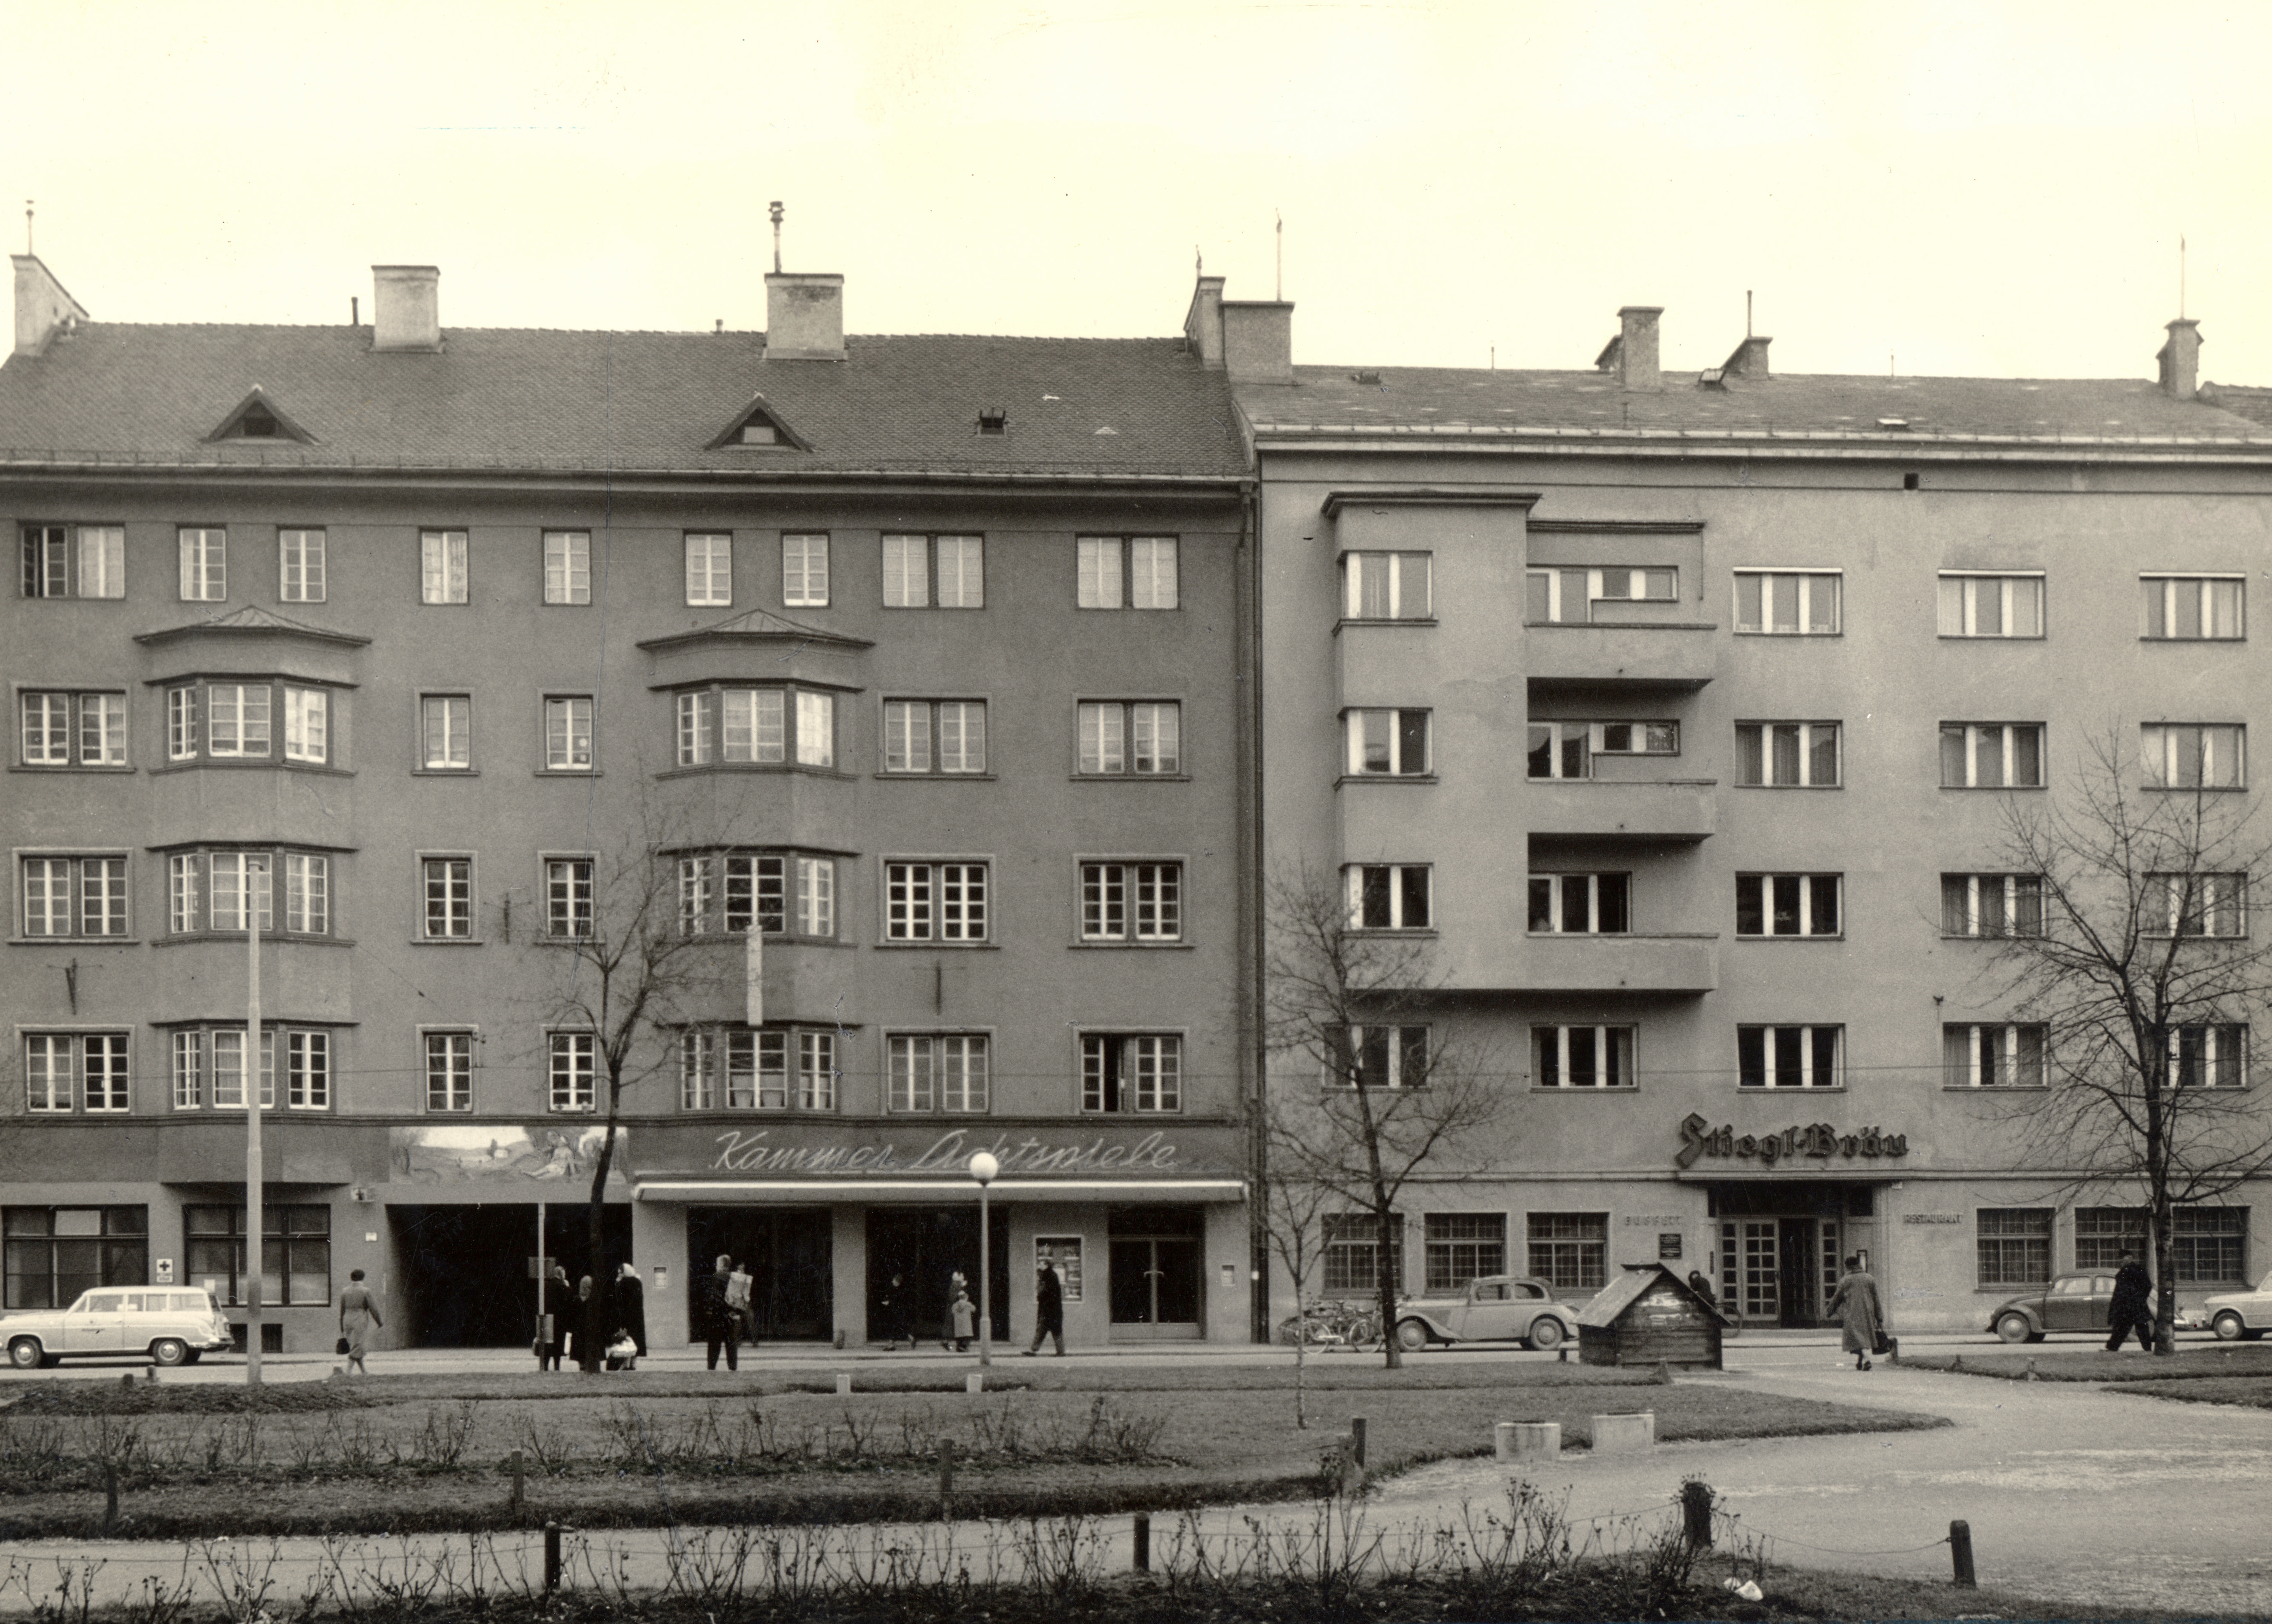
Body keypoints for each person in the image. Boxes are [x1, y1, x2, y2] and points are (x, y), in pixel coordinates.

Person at [1826, 1254, 1885, 1371]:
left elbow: (1837, 1298)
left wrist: (1829, 1311)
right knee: (1863, 1337)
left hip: (1852, 1314)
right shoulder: (1869, 1278)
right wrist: (1880, 1318)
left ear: (1848, 1267)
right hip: (1868, 1314)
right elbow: (1876, 1299)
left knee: (1858, 1338)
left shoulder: (1845, 1281)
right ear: (1858, 1265)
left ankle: (1867, 1360)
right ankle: (1860, 1362)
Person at [2106, 1250, 2157, 1352]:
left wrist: (2140, 1298)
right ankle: (2113, 1347)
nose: (2121, 1261)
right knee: (2126, 1327)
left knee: (2133, 1327)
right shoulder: (2133, 1270)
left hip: (2133, 1304)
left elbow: (2147, 1286)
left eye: (2123, 1258)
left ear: (2129, 1258)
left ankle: (2146, 1348)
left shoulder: (2135, 1271)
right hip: (2131, 1304)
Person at [338, 1268, 382, 1377]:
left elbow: (342, 1310)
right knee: (358, 1345)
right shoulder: (365, 1291)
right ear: (363, 1278)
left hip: (347, 1318)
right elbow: (373, 1309)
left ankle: (364, 1372)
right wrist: (379, 1322)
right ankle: (348, 1372)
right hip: (359, 1318)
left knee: (356, 1345)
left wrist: (342, 1327)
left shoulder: (345, 1291)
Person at [699, 1254, 738, 1371]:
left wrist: (710, 1310)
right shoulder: (734, 1277)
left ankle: (712, 1368)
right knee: (731, 1344)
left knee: (714, 1345)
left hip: (718, 1316)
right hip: (731, 1315)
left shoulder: (718, 1276)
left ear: (721, 1265)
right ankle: (733, 1368)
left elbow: (714, 1296)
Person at [1022, 1259, 1065, 1356]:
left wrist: (1041, 1297)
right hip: (1051, 1309)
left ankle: (1035, 1350)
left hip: (1050, 1309)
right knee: (1051, 1330)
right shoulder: (1047, 1275)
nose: (1039, 1265)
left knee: (1047, 1330)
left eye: (1041, 1264)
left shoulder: (1049, 1276)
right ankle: (1060, 1351)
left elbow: (1045, 1292)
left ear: (1046, 1265)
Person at [535, 1263, 569, 1372]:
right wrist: (567, 1287)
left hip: (547, 1318)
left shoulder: (547, 1285)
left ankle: (545, 1366)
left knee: (547, 1343)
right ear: (561, 1274)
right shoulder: (562, 1285)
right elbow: (567, 1300)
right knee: (558, 1345)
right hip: (559, 1319)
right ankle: (557, 1367)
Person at [614, 1261, 647, 1369]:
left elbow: (620, 1303)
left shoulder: (622, 1284)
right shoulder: (638, 1282)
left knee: (626, 1343)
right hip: (637, 1318)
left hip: (626, 1318)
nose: (619, 1275)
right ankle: (633, 1364)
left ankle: (626, 1364)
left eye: (620, 1273)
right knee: (635, 1342)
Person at [574, 1274, 601, 1373]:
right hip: (591, 1329)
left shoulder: (577, 1299)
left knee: (580, 1351)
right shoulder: (594, 1300)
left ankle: (582, 1368)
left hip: (579, 1329)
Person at [726, 1256, 756, 1349]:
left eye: (743, 1264)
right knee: (747, 1320)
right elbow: (745, 1292)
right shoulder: (746, 1277)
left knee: (740, 1321)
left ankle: (738, 1341)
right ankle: (752, 1341)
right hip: (741, 1301)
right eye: (741, 1264)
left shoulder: (733, 1276)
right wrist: (747, 1300)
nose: (743, 1266)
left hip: (736, 1301)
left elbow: (730, 1290)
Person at [878, 1271, 910, 1350]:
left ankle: (892, 1344)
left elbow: (896, 1301)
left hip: (896, 1312)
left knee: (893, 1328)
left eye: (894, 1281)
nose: (892, 1282)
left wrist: (888, 1303)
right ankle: (892, 1344)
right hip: (895, 1312)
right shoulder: (897, 1290)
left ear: (897, 1282)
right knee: (894, 1328)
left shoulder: (898, 1291)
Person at [940, 1269, 969, 1351]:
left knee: (953, 1328)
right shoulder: (957, 1284)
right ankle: (958, 1346)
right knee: (955, 1328)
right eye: (962, 1276)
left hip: (955, 1309)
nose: (963, 1277)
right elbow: (953, 1297)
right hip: (955, 1310)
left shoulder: (956, 1284)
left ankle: (949, 1343)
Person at [949, 1285, 977, 1353]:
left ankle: (959, 1347)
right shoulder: (968, 1305)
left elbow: (953, 1312)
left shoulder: (955, 1305)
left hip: (958, 1323)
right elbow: (974, 1310)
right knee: (967, 1336)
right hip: (966, 1323)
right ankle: (964, 1347)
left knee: (959, 1337)